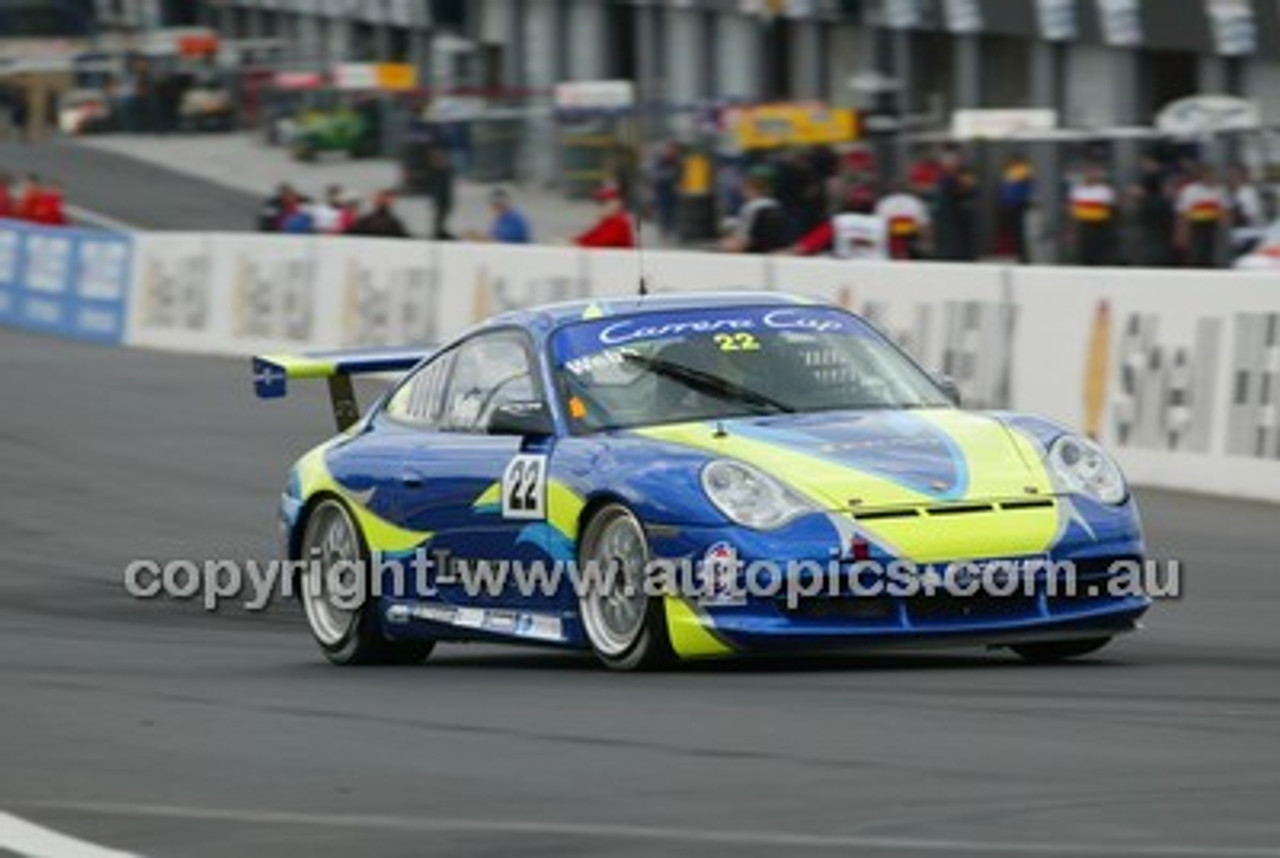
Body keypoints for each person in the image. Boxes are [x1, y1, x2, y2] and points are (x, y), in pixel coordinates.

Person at [791, 184, 888, 260]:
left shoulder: (838, 222)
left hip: (843, 276)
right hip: (879, 273)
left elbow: (803, 248)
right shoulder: (885, 224)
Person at [719, 169, 787, 254]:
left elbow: (743, 238)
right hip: (774, 249)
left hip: (754, 251)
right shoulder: (777, 206)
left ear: (748, 189)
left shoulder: (751, 207)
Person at [1175, 164, 1227, 268]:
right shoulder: (1191, 190)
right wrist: (1182, 232)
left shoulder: (1219, 190)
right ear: (1201, 176)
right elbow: (1182, 212)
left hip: (1213, 225)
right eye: (1207, 176)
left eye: (1212, 176)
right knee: (1196, 253)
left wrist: (1224, 226)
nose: (1210, 178)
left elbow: (1224, 210)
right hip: (1195, 225)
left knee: (1211, 253)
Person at [1129, 154, 1176, 266]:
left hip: (1159, 217)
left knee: (1157, 245)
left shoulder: (1161, 176)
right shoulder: (1147, 177)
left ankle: (1156, 262)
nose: (1144, 166)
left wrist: (1144, 195)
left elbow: (1167, 196)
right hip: (1150, 217)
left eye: (1146, 163)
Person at [931, 146, 977, 261]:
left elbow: (968, 190)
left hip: (959, 220)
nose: (949, 163)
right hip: (945, 219)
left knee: (958, 247)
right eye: (946, 160)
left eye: (952, 160)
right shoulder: (943, 177)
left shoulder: (965, 174)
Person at [1068, 163, 1119, 266]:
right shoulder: (1077, 190)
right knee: (1084, 254)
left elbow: (1113, 210)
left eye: (1094, 173)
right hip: (1083, 226)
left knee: (1101, 254)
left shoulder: (1106, 190)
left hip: (1101, 226)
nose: (1092, 175)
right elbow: (1072, 211)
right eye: (1089, 173)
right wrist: (1071, 230)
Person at [875, 183, 931, 260]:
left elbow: (924, 225)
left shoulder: (914, 201)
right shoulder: (886, 202)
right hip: (891, 236)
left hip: (910, 237)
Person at [998, 154, 1034, 262]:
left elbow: (1022, 181)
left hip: (1018, 204)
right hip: (1009, 204)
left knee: (1020, 231)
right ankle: (1017, 253)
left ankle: (1023, 255)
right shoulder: (1010, 171)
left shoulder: (1023, 170)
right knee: (1014, 231)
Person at [464, 187, 532, 244]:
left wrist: (480, 238)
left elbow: (505, 240)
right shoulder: (500, 220)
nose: (493, 207)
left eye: (497, 204)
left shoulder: (514, 219)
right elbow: (494, 236)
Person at [425, 147, 455, 239]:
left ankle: (440, 232)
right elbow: (435, 188)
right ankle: (438, 232)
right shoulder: (436, 172)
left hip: (444, 198)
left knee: (442, 216)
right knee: (439, 216)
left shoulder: (444, 172)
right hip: (440, 199)